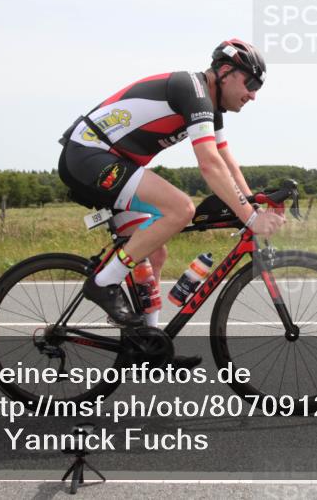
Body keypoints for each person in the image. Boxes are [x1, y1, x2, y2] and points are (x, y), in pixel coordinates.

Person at [58, 39, 285, 366]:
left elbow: (225, 158)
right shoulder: (191, 90)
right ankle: (103, 283)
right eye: (250, 83)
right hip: (90, 154)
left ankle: (148, 347)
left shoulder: (209, 104)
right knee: (181, 208)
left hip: (112, 159)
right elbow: (208, 164)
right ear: (224, 72)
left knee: (154, 248)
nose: (253, 94)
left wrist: (251, 203)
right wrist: (250, 217)